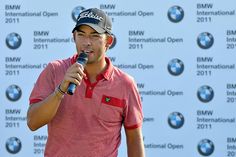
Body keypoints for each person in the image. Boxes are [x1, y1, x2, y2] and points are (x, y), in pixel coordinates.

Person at [27, 8, 145, 157]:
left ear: (108, 41)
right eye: (81, 35)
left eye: (95, 36)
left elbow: (134, 138)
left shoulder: (125, 83)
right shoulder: (54, 70)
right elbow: (32, 122)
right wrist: (60, 91)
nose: (87, 43)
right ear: (74, 37)